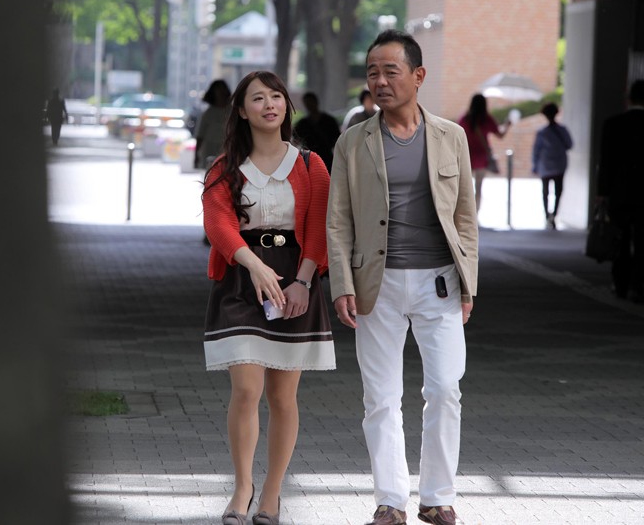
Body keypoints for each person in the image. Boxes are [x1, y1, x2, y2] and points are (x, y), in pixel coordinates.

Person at [327, 29, 477, 525]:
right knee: (381, 397)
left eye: (391, 71)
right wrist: (342, 284)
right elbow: (338, 221)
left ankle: (437, 497)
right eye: (373, 72)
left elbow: (465, 217)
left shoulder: (451, 136)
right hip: (377, 284)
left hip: (440, 283)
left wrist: (469, 283)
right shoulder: (353, 142)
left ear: (418, 75)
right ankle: (390, 500)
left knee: (446, 388)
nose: (380, 81)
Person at [202, 71, 335, 525]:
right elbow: (218, 223)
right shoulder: (224, 168)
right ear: (242, 111)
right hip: (241, 282)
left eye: (276, 96)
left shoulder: (310, 165)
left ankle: (272, 493)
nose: (269, 104)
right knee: (245, 390)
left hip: (295, 280)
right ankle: (242, 487)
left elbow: (319, 227)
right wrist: (254, 265)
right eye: (258, 98)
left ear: (286, 106)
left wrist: (303, 281)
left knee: (282, 397)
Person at [597, 79, 644, 303]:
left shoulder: (613, 124)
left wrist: (602, 192)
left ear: (629, 98)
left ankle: (621, 283)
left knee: (620, 239)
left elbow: (605, 162)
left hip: (620, 192)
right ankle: (638, 285)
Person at [457, 93, 510, 212]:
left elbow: (456, 137)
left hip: (466, 155)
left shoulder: (464, 119)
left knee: (464, 187)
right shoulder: (487, 119)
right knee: (479, 187)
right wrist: (507, 125)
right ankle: (475, 213)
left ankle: (464, 212)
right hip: (481, 157)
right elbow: (500, 135)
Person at [531, 102, 573, 229]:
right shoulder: (561, 130)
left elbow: (536, 151)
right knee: (557, 191)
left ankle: (548, 216)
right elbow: (569, 145)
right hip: (559, 164)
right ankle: (553, 215)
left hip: (545, 165)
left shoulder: (542, 132)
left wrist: (534, 165)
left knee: (545, 192)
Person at [293, 91, 340, 172]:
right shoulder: (302, 124)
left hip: (327, 157)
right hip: (309, 159)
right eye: (307, 103)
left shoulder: (329, 121)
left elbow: (337, 139)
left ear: (316, 102)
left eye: (310, 102)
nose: (309, 105)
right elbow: (295, 140)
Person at [195, 79, 232, 169]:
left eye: (222, 90)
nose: (220, 93)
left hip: (228, 148)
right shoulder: (208, 113)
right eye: (218, 90)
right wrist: (196, 154)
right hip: (209, 148)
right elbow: (200, 135)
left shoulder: (233, 111)